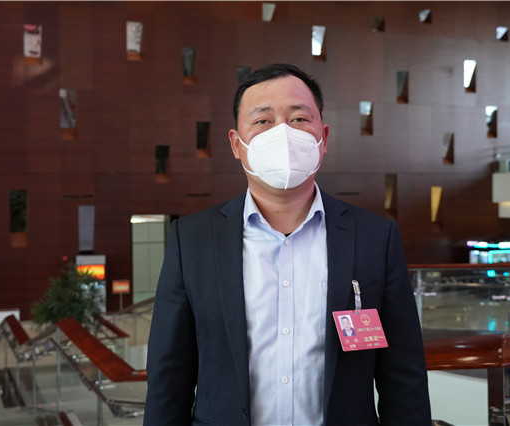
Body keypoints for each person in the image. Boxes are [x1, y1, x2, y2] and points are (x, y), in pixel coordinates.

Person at [144, 64, 431, 425]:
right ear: (236, 144)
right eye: (262, 121)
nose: (282, 132)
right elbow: (169, 378)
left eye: (298, 119)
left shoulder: (375, 237)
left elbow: (403, 377)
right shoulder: (192, 240)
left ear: (323, 138)